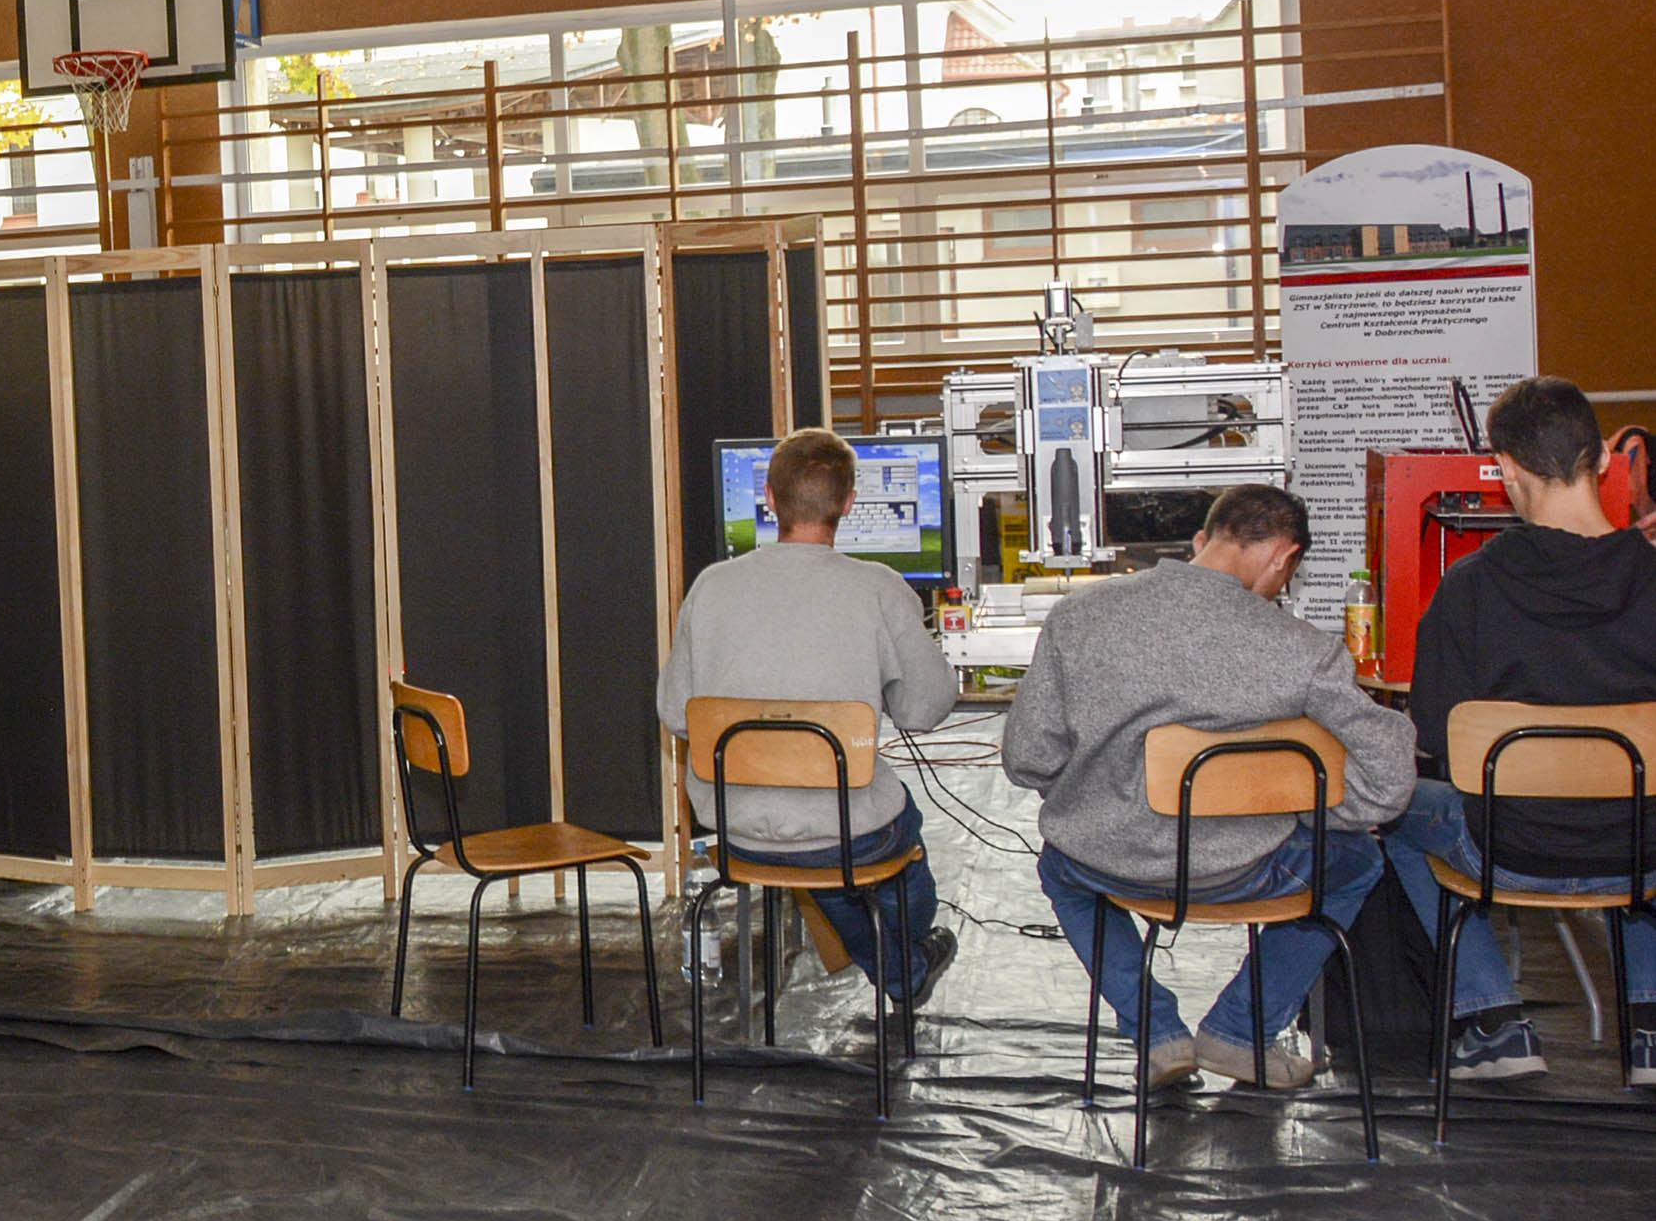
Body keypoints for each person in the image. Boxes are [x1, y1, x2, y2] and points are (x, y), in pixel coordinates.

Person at [1012, 483, 1412, 1089]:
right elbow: (1389, 781)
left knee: (1060, 870)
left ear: (1204, 540)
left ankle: (1156, 1033)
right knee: (1357, 862)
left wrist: (1092, 794)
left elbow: (1027, 758)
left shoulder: (1077, 616)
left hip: (1102, 858)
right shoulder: (1304, 650)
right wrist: (1308, 810)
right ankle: (1240, 1032)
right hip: (1238, 870)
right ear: (1283, 555)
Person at [1382, 377, 1656, 1088]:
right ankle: (1652, 1029)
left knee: (1393, 813)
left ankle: (1493, 1023)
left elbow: (1437, 737)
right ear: (1604, 460)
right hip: (1645, 852)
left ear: (1504, 469)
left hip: (1508, 850)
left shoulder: (1469, 586)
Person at [656, 427, 960, 1014]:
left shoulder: (711, 586)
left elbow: (675, 712)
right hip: (848, 836)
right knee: (890, 841)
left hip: (737, 830)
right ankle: (904, 968)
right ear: (849, 503)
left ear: (769, 498)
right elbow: (924, 709)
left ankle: (899, 971)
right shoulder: (879, 588)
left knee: (834, 859)